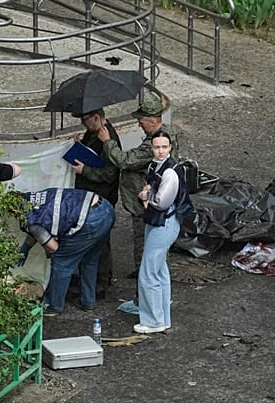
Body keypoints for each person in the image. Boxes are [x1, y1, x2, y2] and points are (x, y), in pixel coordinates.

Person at [97, 97, 180, 314]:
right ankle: (154, 299)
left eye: (141, 120)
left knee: (144, 255)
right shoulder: (168, 134)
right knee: (155, 259)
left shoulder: (153, 145)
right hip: (154, 207)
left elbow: (125, 160)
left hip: (146, 208)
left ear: (152, 121)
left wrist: (108, 141)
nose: (139, 124)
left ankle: (143, 303)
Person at [16, 188, 115, 316]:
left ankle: (53, 306)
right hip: (105, 209)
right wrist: (26, 248)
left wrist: (47, 250)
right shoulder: (37, 197)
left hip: (90, 221)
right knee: (90, 259)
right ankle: (88, 301)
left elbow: (53, 247)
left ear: (15, 210)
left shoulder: (31, 219)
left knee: (61, 263)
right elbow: (38, 228)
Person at [134, 130, 189, 333]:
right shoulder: (157, 166)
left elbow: (161, 202)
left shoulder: (170, 172)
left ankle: (153, 321)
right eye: (157, 147)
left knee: (149, 272)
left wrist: (146, 197)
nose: (160, 151)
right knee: (159, 269)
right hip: (160, 222)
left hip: (164, 221)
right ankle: (162, 317)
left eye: (164, 147)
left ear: (170, 147)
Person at [71, 108, 120, 299]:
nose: (84, 124)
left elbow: (109, 173)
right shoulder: (94, 132)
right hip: (92, 193)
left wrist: (85, 171)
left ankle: (100, 282)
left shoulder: (108, 138)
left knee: (100, 241)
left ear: (97, 118)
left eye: (86, 120)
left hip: (101, 196)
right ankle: (96, 279)